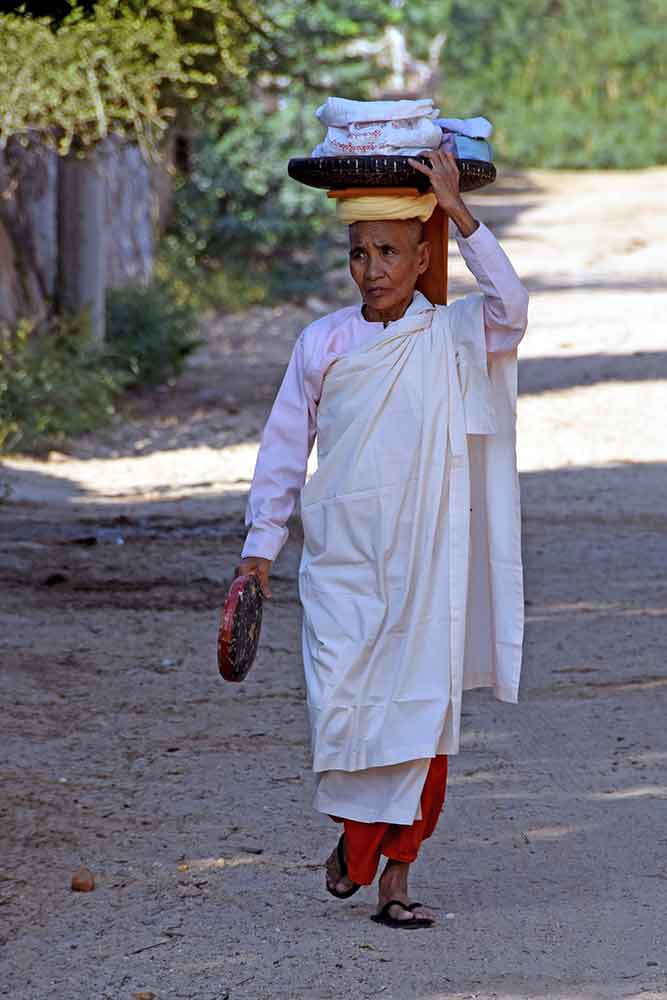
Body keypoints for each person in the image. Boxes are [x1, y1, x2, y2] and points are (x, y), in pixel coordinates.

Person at [237, 150, 529, 928]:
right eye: (358, 253)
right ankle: (354, 841)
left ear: (423, 255)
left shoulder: (453, 334)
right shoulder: (323, 343)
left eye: (390, 251)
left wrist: (457, 211)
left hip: (429, 561)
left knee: (417, 714)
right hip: (341, 559)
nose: (372, 269)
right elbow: (281, 449)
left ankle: (392, 879)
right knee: (345, 708)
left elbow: (509, 307)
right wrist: (259, 551)